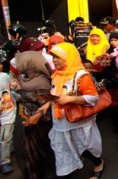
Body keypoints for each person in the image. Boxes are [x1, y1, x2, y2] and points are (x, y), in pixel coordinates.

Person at [48, 42, 105, 178]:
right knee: (64, 148)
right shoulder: (56, 75)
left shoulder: (81, 76)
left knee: (84, 146)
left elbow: (93, 97)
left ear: (69, 57)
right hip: (60, 121)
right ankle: (67, 172)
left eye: (58, 57)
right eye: (53, 57)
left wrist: (70, 100)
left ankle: (98, 163)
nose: (54, 60)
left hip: (77, 120)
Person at [9, 49, 56, 179]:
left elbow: (47, 103)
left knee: (39, 149)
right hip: (30, 118)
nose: (18, 64)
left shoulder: (40, 81)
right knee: (37, 149)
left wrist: (33, 116)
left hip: (40, 120)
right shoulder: (28, 77)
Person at [0, 73, 15, 174]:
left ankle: (5, 162)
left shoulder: (5, 76)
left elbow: (11, 90)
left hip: (7, 112)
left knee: (5, 138)